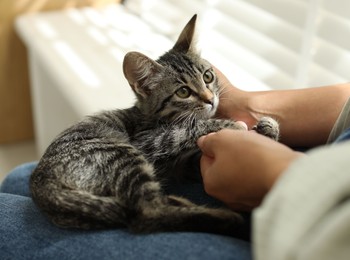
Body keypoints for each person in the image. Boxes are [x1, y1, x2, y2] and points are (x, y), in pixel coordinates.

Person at [1, 68, 350, 259]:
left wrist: (280, 172)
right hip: (91, 157)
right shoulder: (148, 121)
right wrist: (245, 109)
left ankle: (153, 211)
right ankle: (153, 211)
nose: (208, 97)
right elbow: (155, 146)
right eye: (186, 91)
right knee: (24, 178)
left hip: (321, 217)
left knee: (15, 191)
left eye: (208, 81)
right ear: (144, 89)